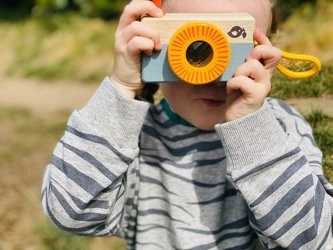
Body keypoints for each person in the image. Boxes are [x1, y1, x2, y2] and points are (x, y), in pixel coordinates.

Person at [41, 0, 333, 249]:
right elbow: (69, 211)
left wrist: (253, 132)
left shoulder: (279, 128)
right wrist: (121, 87)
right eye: (194, 47)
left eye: (235, 47)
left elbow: (314, 240)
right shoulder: (133, 136)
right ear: (149, 44)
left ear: (265, 52)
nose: (212, 73)